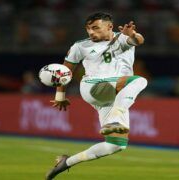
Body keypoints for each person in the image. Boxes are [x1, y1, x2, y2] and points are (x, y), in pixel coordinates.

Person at [46, 12, 147, 179]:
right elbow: (65, 71)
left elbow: (138, 40)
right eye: (88, 29)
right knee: (139, 81)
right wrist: (59, 96)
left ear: (109, 27)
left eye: (95, 28)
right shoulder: (80, 46)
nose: (91, 32)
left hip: (113, 96)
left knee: (116, 145)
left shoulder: (122, 38)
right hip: (93, 86)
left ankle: (66, 162)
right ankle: (116, 115)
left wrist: (134, 35)